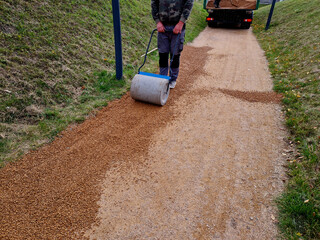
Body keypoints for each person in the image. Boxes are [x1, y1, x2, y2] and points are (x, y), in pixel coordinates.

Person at [151, 0, 194, 89]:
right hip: (162, 27)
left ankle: (172, 79)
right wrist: (158, 21)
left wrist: (181, 22)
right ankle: (162, 79)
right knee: (163, 54)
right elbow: (154, 3)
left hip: (177, 26)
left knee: (175, 55)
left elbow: (189, 3)